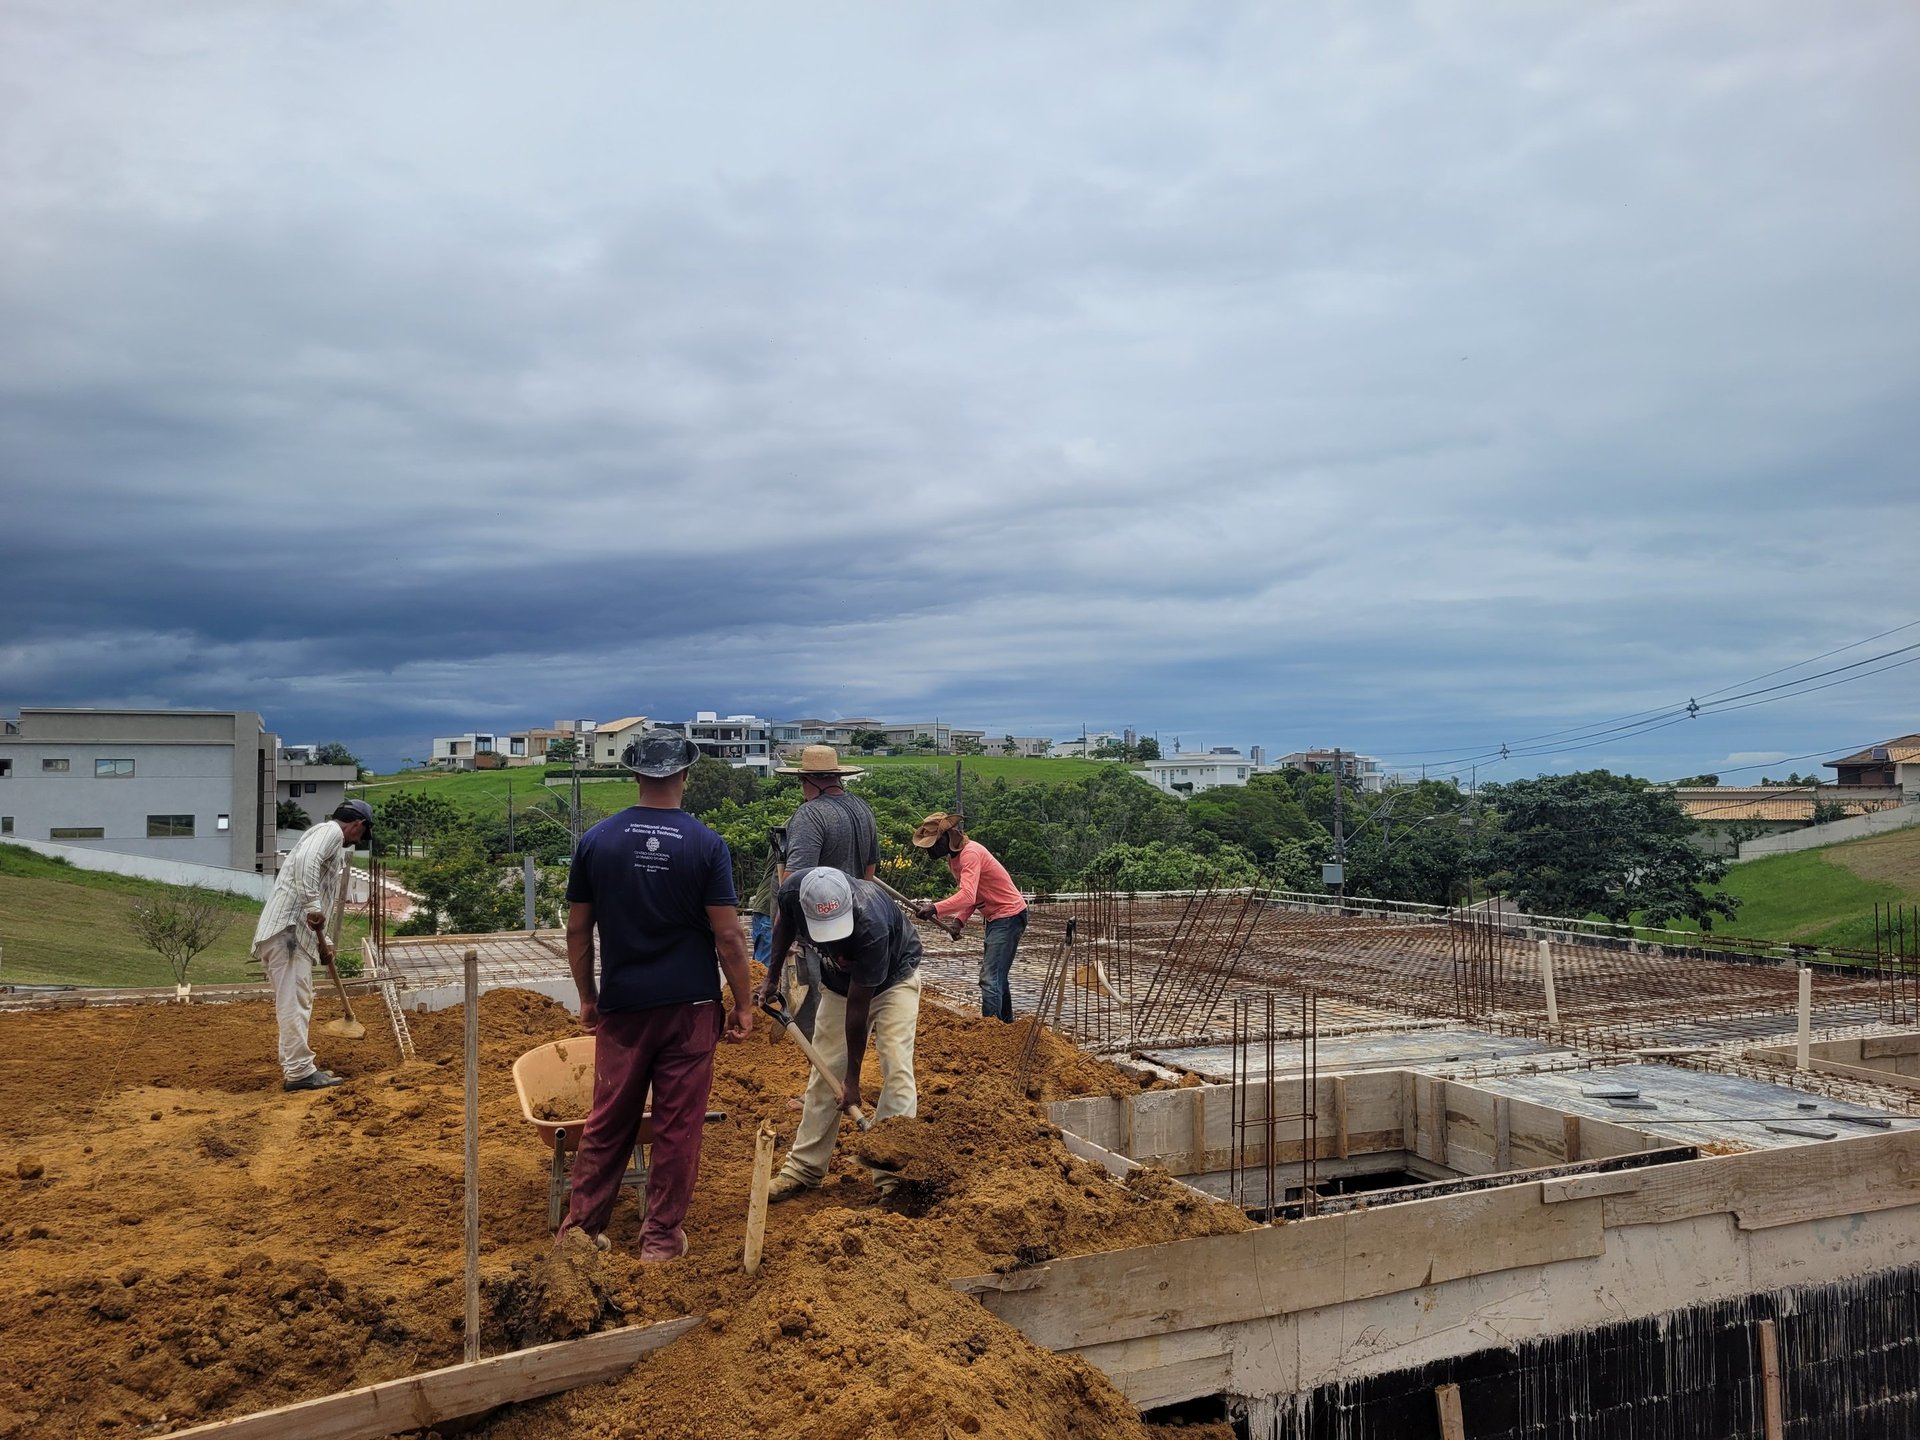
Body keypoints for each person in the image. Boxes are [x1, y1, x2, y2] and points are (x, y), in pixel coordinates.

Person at [559, 728, 753, 1262]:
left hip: (623, 1006)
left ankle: (580, 1233)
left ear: (637, 774)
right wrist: (743, 1002)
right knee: (677, 1126)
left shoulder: (597, 841)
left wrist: (588, 995)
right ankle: (661, 1239)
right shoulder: (706, 844)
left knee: (608, 1118)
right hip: (690, 1010)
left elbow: (578, 932)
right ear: (685, 776)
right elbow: (730, 936)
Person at [754, 866, 923, 1202]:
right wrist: (771, 977)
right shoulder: (793, 892)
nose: (835, 946)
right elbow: (784, 925)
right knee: (823, 1074)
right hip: (837, 987)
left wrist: (853, 1083)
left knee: (896, 1066)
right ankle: (803, 1170)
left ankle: (893, 1180)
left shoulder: (871, 923)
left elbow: (857, 1012)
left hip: (893, 981)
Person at [251, 799, 373, 1091]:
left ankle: (298, 1067)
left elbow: (315, 893)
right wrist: (312, 906)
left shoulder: (322, 835)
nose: (359, 839)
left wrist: (325, 941)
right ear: (358, 825)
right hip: (289, 933)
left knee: (295, 1002)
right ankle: (299, 1072)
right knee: (295, 1002)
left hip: (291, 933)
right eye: (363, 833)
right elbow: (307, 862)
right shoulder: (330, 832)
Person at [773, 745, 879, 1039]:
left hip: (818, 926)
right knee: (848, 998)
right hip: (854, 922)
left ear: (810, 781)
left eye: (801, 782)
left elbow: (792, 884)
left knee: (816, 1004)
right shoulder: (863, 810)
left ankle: (812, 1057)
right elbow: (869, 874)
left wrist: (787, 933)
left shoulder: (811, 815)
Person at [910, 813, 1029, 1023]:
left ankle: (990, 1030)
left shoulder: (970, 854)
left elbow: (967, 896)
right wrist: (959, 921)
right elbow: (974, 895)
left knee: (990, 979)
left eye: (933, 845)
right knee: (997, 976)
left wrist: (935, 908)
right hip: (997, 917)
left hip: (1008, 915)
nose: (930, 851)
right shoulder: (954, 859)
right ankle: (1007, 1027)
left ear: (947, 837)